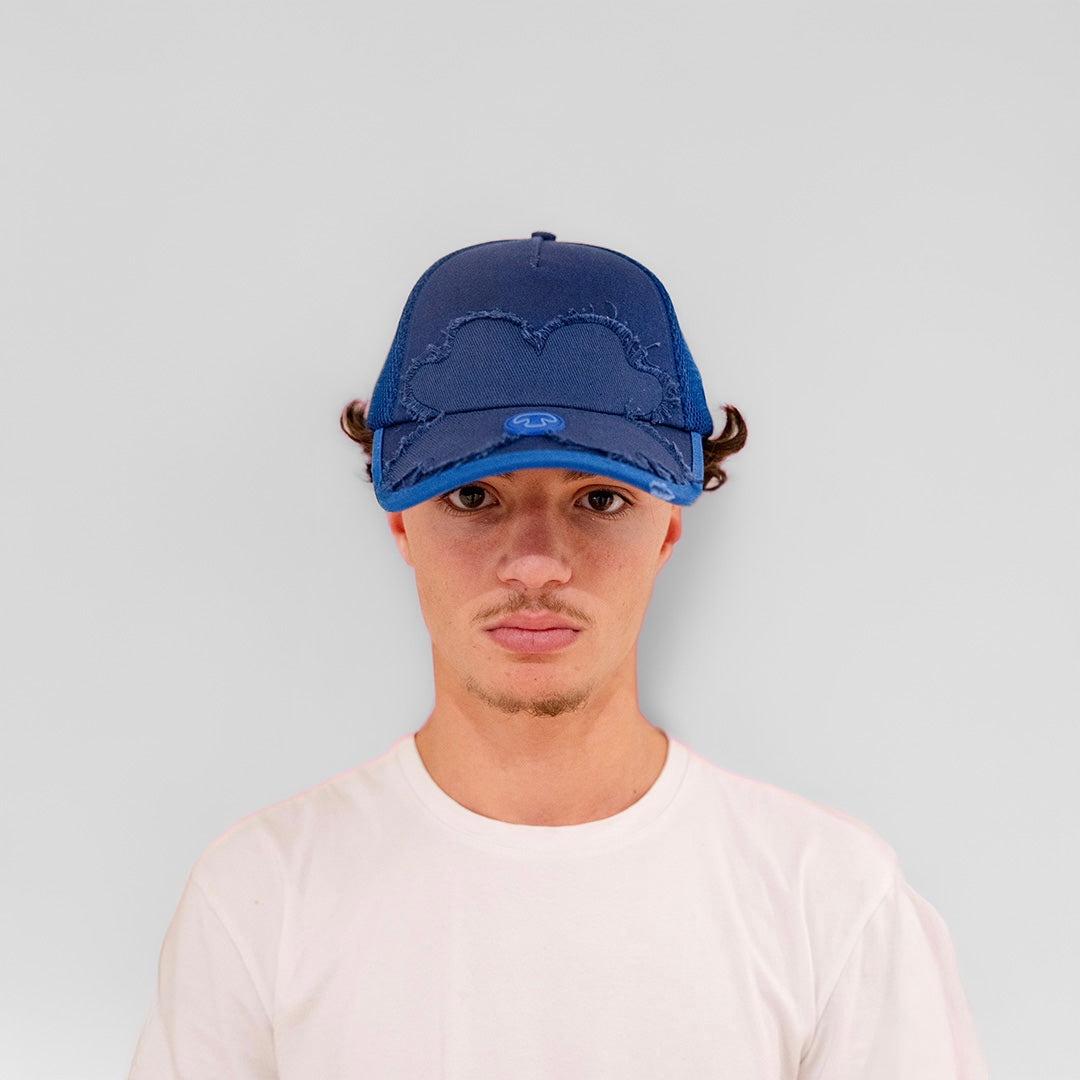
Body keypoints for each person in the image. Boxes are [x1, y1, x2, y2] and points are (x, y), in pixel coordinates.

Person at [128, 231, 990, 1078]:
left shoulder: (831, 901)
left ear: (667, 531)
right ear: (402, 526)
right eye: (474, 496)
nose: (536, 562)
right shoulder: (261, 897)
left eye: (599, 499)